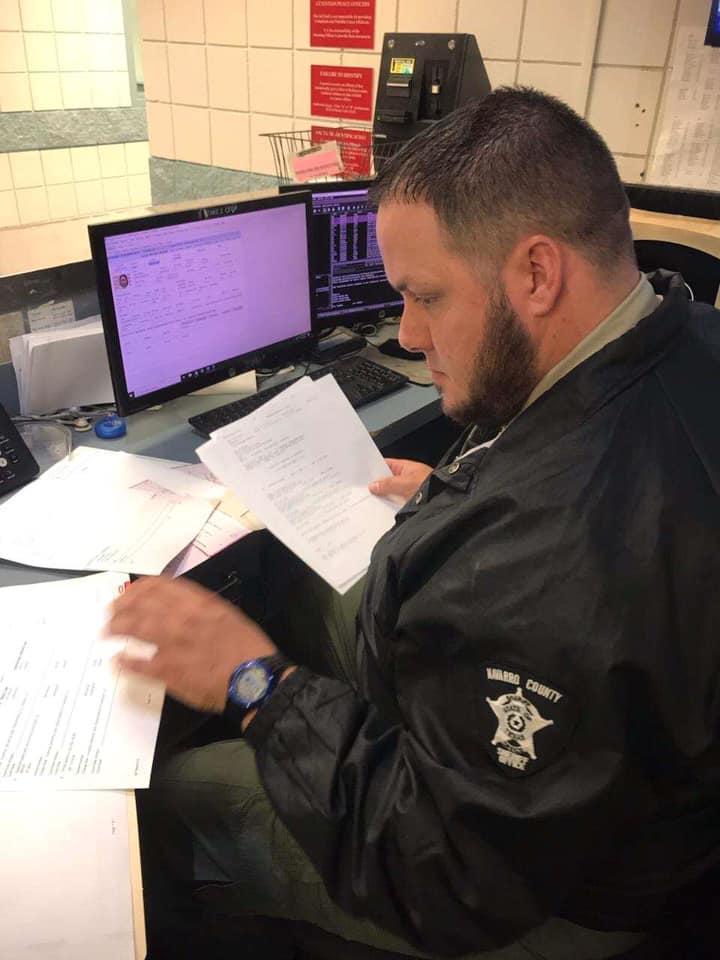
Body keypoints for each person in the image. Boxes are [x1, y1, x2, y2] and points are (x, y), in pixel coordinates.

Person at [109, 87, 720, 960]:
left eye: (426, 296)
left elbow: (441, 872)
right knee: (293, 579)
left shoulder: (553, 563)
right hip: (622, 783)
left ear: (538, 273)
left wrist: (254, 685)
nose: (406, 331)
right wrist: (467, 490)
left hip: (541, 894)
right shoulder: (683, 331)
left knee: (174, 795)